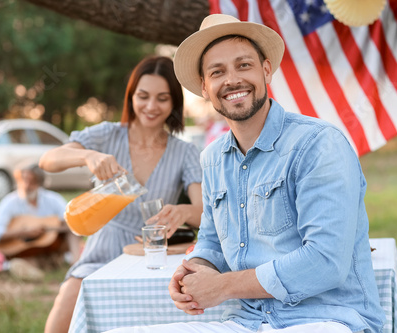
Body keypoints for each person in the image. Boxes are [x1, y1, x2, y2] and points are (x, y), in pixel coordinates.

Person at [105, 14, 386, 333]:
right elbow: (211, 242)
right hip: (247, 321)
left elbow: (326, 262)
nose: (232, 80)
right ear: (205, 88)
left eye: (243, 65)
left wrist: (223, 287)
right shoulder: (212, 158)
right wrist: (194, 270)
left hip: (328, 319)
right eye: (217, 72)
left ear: (266, 70)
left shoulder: (318, 144)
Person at [39, 55, 203, 333]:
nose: (151, 106)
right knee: (67, 302)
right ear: (131, 97)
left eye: (162, 98)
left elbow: (203, 212)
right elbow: (48, 160)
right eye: (143, 96)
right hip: (102, 248)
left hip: (152, 257)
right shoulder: (106, 135)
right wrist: (87, 156)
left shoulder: (184, 152)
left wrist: (184, 212)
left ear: (174, 102)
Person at [0, 163, 82, 267]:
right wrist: (22, 232)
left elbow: (72, 220)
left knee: (73, 230)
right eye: (23, 180)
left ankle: (75, 264)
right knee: (26, 263)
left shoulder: (53, 199)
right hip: (21, 252)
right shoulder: (9, 202)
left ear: (39, 183)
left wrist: (58, 226)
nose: (26, 186)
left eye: (31, 182)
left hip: (50, 247)